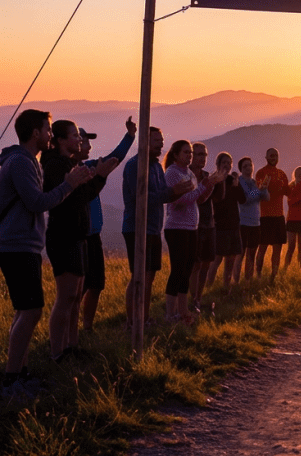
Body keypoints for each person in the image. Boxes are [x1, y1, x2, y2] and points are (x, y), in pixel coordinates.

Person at [1, 110, 92, 395]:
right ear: (35, 133)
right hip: (17, 245)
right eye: (48, 130)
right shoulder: (21, 162)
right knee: (31, 310)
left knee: (24, 310)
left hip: (21, 243)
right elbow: (37, 202)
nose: (51, 135)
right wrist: (70, 184)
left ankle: (20, 373)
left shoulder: (24, 160)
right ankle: (12, 380)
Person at [42, 120, 119, 361]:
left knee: (75, 297)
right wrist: (100, 177)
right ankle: (58, 351)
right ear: (60, 141)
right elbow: (76, 199)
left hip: (78, 235)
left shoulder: (70, 164)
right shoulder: (56, 166)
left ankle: (71, 346)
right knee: (66, 298)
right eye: (75, 135)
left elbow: (82, 195)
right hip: (64, 236)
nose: (79, 139)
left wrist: (98, 177)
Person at [122, 127, 193, 327]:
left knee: (149, 276)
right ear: (144, 141)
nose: (161, 145)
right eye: (156, 141)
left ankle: (144, 319)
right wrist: (173, 191)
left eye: (161, 141)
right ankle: (132, 321)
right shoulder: (135, 165)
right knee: (139, 276)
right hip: (137, 227)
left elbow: (163, 194)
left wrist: (177, 192)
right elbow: (142, 197)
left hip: (153, 228)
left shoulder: (155, 166)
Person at [79, 117, 137, 332]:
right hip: (80, 236)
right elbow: (115, 158)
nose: (89, 145)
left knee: (96, 285)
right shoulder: (76, 171)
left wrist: (129, 136)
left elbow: (114, 158)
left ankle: (86, 328)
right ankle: (68, 330)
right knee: (80, 287)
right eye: (84, 141)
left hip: (94, 235)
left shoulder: (90, 167)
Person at [163, 141, 220, 324]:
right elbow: (184, 198)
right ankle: (170, 313)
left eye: (190, 153)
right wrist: (204, 184)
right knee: (178, 270)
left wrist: (210, 184)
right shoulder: (172, 173)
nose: (189, 156)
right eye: (186, 152)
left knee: (186, 271)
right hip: (177, 228)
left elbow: (198, 199)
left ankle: (182, 311)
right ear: (176, 154)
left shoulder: (188, 173)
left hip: (191, 227)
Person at [207, 152, 247, 293]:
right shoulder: (213, 180)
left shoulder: (233, 180)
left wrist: (236, 186)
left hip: (234, 224)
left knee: (231, 259)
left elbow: (243, 199)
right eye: (224, 162)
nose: (227, 165)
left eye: (229, 163)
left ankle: (226, 288)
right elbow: (216, 200)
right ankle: (208, 287)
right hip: (220, 225)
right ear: (218, 164)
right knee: (217, 259)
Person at [188, 142, 216, 312]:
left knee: (207, 263)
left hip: (210, 223)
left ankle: (199, 298)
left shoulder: (209, 176)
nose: (202, 158)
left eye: (204, 155)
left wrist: (262, 190)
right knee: (195, 265)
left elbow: (242, 197)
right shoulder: (187, 175)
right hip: (194, 225)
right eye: (199, 154)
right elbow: (197, 199)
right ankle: (193, 301)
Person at [255, 148, 289, 282]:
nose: (273, 157)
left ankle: (273, 278)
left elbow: (288, 192)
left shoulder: (282, 174)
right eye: (271, 155)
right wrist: (268, 185)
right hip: (265, 217)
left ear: (278, 158)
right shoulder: (261, 172)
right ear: (266, 157)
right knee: (262, 248)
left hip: (279, 216)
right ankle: (258, 276)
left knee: (277, 249)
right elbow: (258, 190)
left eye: (276, 155)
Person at [236, 156, 270, 281]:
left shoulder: (255, 182)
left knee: (251, 254)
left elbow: (266, 198)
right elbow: (245, 200)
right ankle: (236, 280)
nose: (248, 168)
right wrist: (258, 190)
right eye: (245, 166)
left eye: (250, 165)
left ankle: (248, 281)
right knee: (240, 254)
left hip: (256, 223)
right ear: (241, 169)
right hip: (243, 223)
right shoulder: (240, 182)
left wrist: (264, 188)